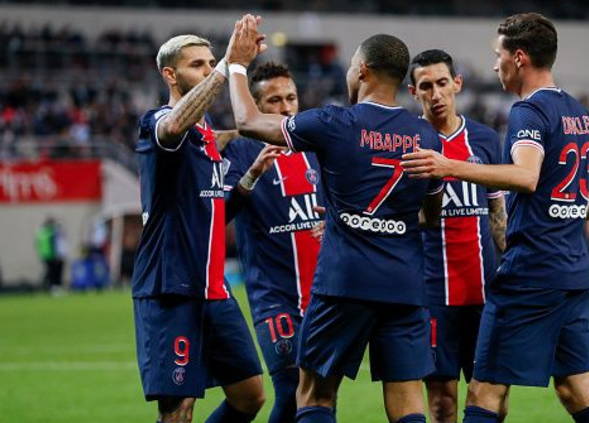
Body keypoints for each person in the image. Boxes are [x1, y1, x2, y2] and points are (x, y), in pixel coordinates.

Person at [226, 14, 444, 423]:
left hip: (345, 281)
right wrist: (386, 221)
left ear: (362, 70)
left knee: (315, 394)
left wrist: (237, 64)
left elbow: (247, 122)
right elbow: (430, 218)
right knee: (408, 401)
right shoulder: (426, 136)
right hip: (404, 284)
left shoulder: (335, 122)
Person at [402, 13, 589, 423]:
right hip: (573, 271)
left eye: (497, 55)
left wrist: (449, 166)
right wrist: (569, 220)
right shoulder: (578, 112)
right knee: (577, 389)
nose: (494, 64)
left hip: (530, 272)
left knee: (484, 392)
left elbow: (526, 176)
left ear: (518, 58)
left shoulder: (527, 112)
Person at [132, 34, 264, 423]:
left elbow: (215, 212)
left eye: (211, 62)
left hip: (214, 290)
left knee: (250, 396)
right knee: (178, 410)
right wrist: (227, 65)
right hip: (171, 288)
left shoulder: (206, 139)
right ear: (170, 75)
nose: (208, 70)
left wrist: (251, 175)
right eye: (198, 65)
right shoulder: (157, 122)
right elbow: (175, 123)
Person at [407, 49, 506, 423]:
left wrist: (514, 263)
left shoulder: (485, 140)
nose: (435, 94)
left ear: (457, 84)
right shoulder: (406, 143)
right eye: (425, 86)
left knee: (492, 401)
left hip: (485, 291)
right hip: (433, 295)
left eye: (442, 83)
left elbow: (497, 213)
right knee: (441, 404)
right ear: (413, 91)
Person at [223, 61, 325, 423]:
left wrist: (334, 222)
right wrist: (251, 176)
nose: (286, 107)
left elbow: (344, 204)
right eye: (275, 100)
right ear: (256, 106)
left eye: (291, 98)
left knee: (319, 396)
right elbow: (221, 214)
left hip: (323, 295)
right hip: (274, 297)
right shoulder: (241, 151)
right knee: (291, 391)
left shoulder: (317, 147)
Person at [35, 217, 67, 295]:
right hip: (52, 255)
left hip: (46, 255)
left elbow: (37, 244)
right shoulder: (51, 232)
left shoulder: (41, 232)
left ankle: (49, 287)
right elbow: (54, 244)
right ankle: (53, 288)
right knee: (54, 272)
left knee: (49, 272)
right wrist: (58, 255)